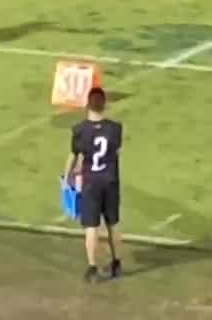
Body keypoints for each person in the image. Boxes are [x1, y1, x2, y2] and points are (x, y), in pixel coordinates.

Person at [65, 87, 125, 282]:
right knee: (113, 223)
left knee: (91, 226)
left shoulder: (80, 130)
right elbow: (116, 153)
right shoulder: (115, 129)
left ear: (87, 105)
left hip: (91, 182)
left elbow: (74, 156)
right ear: (104, 105)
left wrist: (67, 177)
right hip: (110, 180)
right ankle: (117, 263)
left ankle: (92, 268)